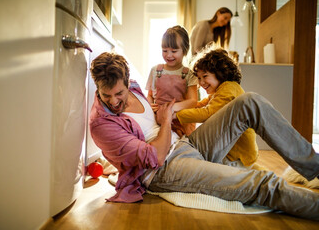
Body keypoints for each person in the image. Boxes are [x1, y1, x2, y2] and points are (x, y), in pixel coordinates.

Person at [89, 52, 319, 220]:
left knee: (251, 102)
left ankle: (315, 168)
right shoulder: (101, 124)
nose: (114, 101)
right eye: (105, 95)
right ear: (97, 87)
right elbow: (156, 158)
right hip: (166, 169)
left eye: (119, 93)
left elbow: (153, 120)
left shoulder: (136, 87)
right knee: (260, 183)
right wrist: (167, 121)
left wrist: (169, 121)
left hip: (187, 145)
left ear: (128, 83)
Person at [176, 48, 258, 167]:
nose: (201, 82)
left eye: (205, 76)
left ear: (220, 72)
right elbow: (198, 105)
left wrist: (177, 115)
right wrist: (179, 107)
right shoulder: (218, 91)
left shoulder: (229, 89)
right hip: (233, 153)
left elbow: (207, 113)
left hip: (237, 157)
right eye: (199, 78)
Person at [146, 25, 197, 136]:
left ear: (184, 50)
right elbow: (150, 95)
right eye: (165, 50)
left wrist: (172, 108)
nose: (168, 55)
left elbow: (193, 101)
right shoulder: (155, 71)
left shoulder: (189, 74)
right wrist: (149, 105)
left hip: (181, 122)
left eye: (174, 51)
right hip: (159, 121)